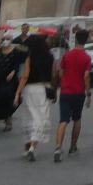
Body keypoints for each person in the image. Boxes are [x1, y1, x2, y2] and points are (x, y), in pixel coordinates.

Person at [52, 28, 93, 162]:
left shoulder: (67, 55)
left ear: (75, 40)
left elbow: (60, 72)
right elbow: (86, 76)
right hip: (78, 92)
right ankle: (73, 146)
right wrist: (88, 93)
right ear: (86, 41)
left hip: (65, 91)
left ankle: (58, 147)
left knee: (63, 120)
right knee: (77, 119)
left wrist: (64, 81)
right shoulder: (86, 57)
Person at [13, 32, 55, 162]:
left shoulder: (30, 58)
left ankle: (27, 148)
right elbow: (54, 75)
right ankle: (32, 147)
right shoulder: (50, 57)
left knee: (29, 116)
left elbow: (25, 76)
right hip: (44, 89)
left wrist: (17, 93)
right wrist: (53, 90)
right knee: (41, 117)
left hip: (30, 89)